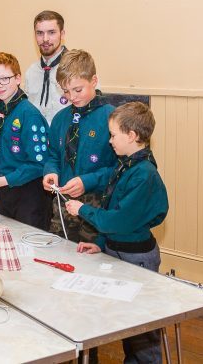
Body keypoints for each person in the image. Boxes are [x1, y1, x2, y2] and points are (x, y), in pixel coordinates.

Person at [66, 102, 168, 363]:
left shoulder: (144, 174)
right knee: (125, 323)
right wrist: (101, 243)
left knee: (141, 331)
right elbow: (113, 206)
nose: (110, 141)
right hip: (117, 250)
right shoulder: (125, 165)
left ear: (132, 136)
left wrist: (82, 210)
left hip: (137, 257)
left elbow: (119, 221)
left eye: (113, 135)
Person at [0, 53, 51, 229]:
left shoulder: (29, 114)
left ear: (18, 78)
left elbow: (38, 164)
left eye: (5, 79)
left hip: (30, 195)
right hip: (5, 193)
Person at [43, 49, 117, 243]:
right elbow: (52, 155)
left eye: (78, 90)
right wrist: (50, 172)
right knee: (58, 253)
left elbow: (121, 169)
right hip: (63, 204)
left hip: (97, 206)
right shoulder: (60, 119)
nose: (72, 97)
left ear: (94, 81)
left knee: (90, 258)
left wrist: (89, 181)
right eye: (66, 91)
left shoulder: (112, 118)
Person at [24, 10, 68, 125]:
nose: (45, 39)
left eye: (51, 32)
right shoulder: (31, 72)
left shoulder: (78, 67)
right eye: (39, 33)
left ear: (62, 34)